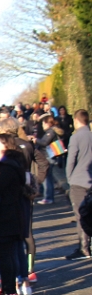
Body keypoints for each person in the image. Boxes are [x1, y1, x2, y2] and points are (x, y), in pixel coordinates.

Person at [0, 136, 30, 295]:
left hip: (5, 217)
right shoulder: (11, 164)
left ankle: (9, 290)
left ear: (7, 147)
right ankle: (8, 288)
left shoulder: (7, 168)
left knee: (6, 256)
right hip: (9, 216)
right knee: (7, 255)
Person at [64, 109, 92, 260]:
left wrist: (70, 179)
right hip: (90, 180)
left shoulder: (75, 137)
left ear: (76, 121)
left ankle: (84, 248)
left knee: (81, 215)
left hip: (79, 181)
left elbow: (71, 160)